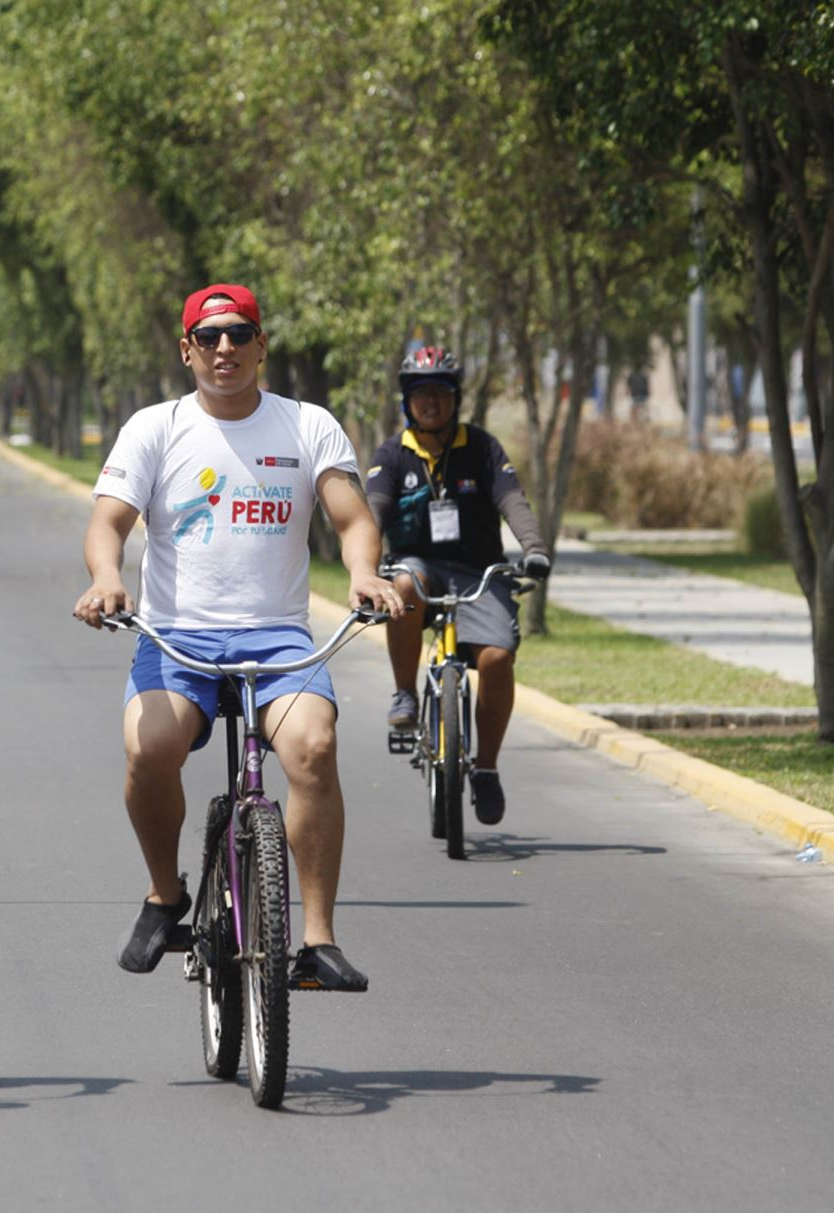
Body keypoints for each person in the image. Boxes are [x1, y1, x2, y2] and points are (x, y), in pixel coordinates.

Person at [74, 283, 404, 993]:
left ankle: (316, 940)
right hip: (176, 637)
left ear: (262, 345)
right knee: (149, 747)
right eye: (210, 335)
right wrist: (107, 578)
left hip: (281, 639)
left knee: (314, 749)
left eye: (240, 333)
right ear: (187, 347)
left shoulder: (307, 425)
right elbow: (108, 525)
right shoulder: (154, 427)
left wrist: (364, 575)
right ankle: (166, 897)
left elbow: (351, 520)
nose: (226, 348)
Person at [365, 347, 551, 827]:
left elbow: (513, 500)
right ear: (407, 401)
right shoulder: (393, 454)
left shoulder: (483, 448)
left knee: (497, 658)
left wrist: (533, 547)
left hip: (478, 570)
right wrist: (364, 571)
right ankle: (405, 694)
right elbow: (372, 515)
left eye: (441, 392)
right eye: (420, 393)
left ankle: (485, 769)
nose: (431, 402)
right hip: (419, 565)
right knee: (401, 585)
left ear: (455, 399)